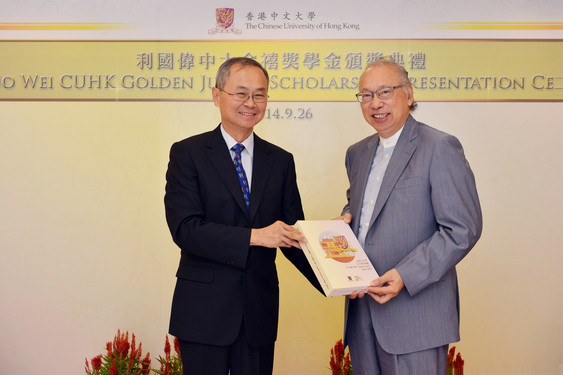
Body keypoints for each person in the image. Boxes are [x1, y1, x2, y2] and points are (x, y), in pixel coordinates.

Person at [164, 57, 321, 375]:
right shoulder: (188, 154)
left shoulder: (279, 161)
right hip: (203, 313)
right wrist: (257, 236)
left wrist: (341, 280)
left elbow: (292, 235)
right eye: (241, 93)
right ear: (216, 95)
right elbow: (186, 229)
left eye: (259, 94)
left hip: (258, 315)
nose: (251, 103)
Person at [337, 58, 483, 374]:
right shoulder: (357, 153)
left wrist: (405, 275)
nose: (375, 103)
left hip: (415, 316)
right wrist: (344, 220)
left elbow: (462, 229)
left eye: (385, 92)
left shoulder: (440, 146)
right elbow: (362, 209)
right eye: (366, 95)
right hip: (362, 311)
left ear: (409, 93)